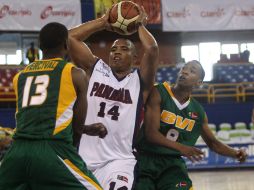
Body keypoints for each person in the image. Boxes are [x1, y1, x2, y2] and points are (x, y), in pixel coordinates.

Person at [0, 22, 107, 190]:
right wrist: (70, 153)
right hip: (52, 150)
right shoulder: (75, 74)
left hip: (17, 152)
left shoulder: (20, 76)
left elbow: (38, 114)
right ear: (66, 44)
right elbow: (76, 130)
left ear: (40, 45)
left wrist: (87, 129)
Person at [68, 6, 159, 190]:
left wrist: (139, 23)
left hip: (119, 161)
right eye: (113, 49)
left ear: (135, 58)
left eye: (124, 49)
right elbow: (69, 38)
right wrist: (102, 23)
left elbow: (152, 49)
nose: (116, 52)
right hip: (83, 159)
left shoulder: (139, 81)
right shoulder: (96, 69)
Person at [134, 60, 248, 190]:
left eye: (192, 71)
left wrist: (236, 153)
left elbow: (213, 143)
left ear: (199, 82)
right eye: (184, 68)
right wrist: (182, 148)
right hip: (146, 159)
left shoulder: (198, 111)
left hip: (173, 165)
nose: (185, 71)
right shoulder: (158, 92)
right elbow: (151, 134)